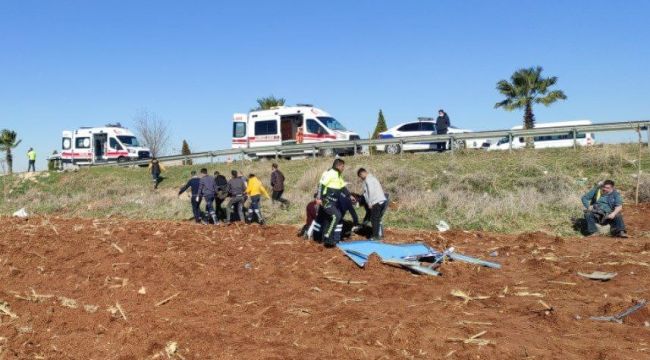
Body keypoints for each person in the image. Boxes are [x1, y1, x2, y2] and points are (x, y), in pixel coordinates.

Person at [316, 158, 352, 247]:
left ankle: (326, 239)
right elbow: (321, 184)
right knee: (337, 216)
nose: (343, 168)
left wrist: (349, 196)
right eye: (343, 166)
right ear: (338, 166)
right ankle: (328, 238)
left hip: (334, 202)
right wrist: (319, 198)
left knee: (330, 219)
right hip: (326, 200)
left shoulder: (338, 175)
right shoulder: (330, 173)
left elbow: (342, 187)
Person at [357, 168, 388, 240]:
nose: (361, 178)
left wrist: (370, 202)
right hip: (380, 200)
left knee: (374, 219)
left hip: (376, 201)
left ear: (362, 173)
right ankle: (378, 235)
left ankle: (375, 236)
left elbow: (371, 191)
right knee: (376, 218)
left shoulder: (369, 179)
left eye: (360, 176)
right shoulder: (372, 178)